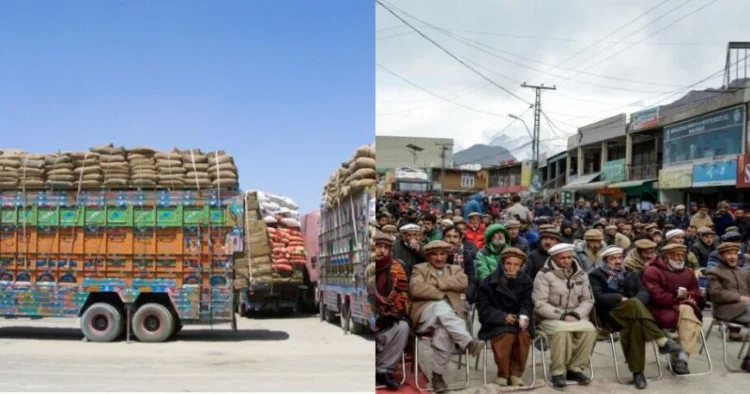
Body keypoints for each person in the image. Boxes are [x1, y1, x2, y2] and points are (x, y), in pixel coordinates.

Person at [589, 247, 685, 389]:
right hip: (610, 316)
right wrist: (621, 299)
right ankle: (662, 340)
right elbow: (598, 297)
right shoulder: (596, 275)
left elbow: (644, 292)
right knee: (633, 305)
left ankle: (638, 373)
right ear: (605, 261)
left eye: (620, 258)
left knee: (635, 324)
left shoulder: (630, 273)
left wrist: (633, 302)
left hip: (634, 314)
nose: (618, 261)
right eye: (613, 259)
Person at [410, 240, 484, 392]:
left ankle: (437, 377)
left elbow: (463, 283)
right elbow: (416, 289)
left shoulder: (455, 269)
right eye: (434, 254)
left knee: (444, 332)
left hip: (451, 318)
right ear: (428, 256)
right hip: (425, 314)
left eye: (442, 254)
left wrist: (434, 284)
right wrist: (444, 291)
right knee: (440, 306)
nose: (439, 258)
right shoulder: (420, 268)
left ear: (447, 255)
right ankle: (468, 342)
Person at [532, 243, 597, 388]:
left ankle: (575, 369)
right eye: (562, 258)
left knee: (590, 330)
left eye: (569, 257)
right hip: (549, 317)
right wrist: (562, 316)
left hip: (576, 316)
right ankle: (558, 372)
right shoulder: (544, 275)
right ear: (554, 258)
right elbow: (540, 304)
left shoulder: (581, 274)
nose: (566, 261)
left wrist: (576, 314)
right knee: (562, 331)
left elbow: (588, 300)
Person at [642, 243, 705, 375]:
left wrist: (687, 295)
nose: (680, 258)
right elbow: (656, 297)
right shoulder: (652, 271)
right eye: (676, 255)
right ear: (666, 256)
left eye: (682, 255)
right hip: (659, 311)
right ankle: (682, 358)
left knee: (687, 313)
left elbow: (697, 293)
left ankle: (680, 358)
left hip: (682, 310)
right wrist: (678, 298)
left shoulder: (688, 271)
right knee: (689, 315)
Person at [477, 248, 533, 387]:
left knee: (523, 335)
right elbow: (483, 309)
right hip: (496, 322)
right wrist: (503, 316)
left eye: (516, 265)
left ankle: (515, 374)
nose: (512, 267)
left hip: (518, 320)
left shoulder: (526, 281)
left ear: (521, 266)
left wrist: (523, 316)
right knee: (506, 335)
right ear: (502, 263)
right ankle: (503, 373)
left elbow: (528, 302)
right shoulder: (489, 282)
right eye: (508, 263)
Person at [371, 232, 411, 389]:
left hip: (387, 315)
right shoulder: (365, 267)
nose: (381, 251)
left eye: (385, 247)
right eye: (378, 247)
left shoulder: (397, 267)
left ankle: (384, 369)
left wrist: (391, 313)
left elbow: (402, 296)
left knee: (403, 327)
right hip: (369, 314)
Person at [706, 242, 750, 372]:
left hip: (745, 308)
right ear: (721, 256)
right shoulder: (714, 272)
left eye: (734, 254)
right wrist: (739, 298)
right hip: (724, 310)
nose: (733, 257)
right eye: (729, 254)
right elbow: (716, 294)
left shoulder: (743, 272)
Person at [443, 226, 478, 304]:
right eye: (448, 236)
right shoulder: (438, 254)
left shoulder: (466, 255)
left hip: (462, 294)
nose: (451, 240)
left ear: (460, 239)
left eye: (455, 237)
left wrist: (466, 295)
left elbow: (472, 280)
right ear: (443, 239)